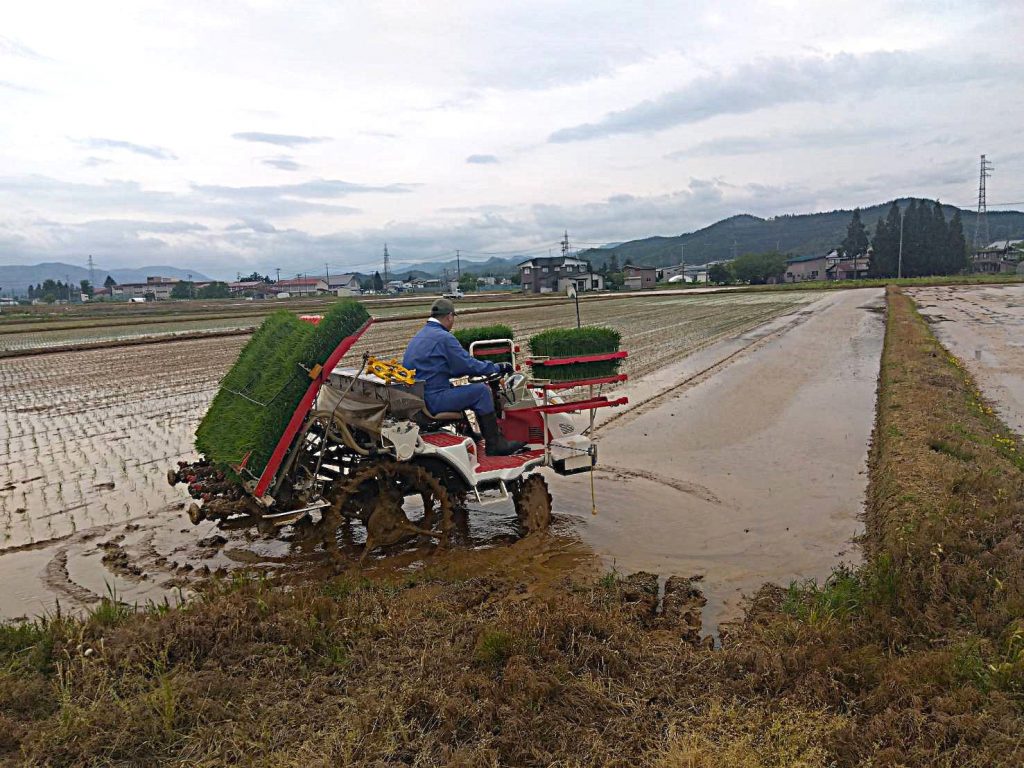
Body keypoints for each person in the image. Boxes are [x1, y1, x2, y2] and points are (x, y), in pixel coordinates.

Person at [403, 298, 525, 456]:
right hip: (433, 399)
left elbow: (444, 368)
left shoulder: (420, 336)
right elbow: (468, 365)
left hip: (419, 397)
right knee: (481, 392)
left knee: (457, 388)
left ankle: (469, 433)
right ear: (449, 316)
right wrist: (497, 367)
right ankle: (495, 444)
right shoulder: (443, 337)